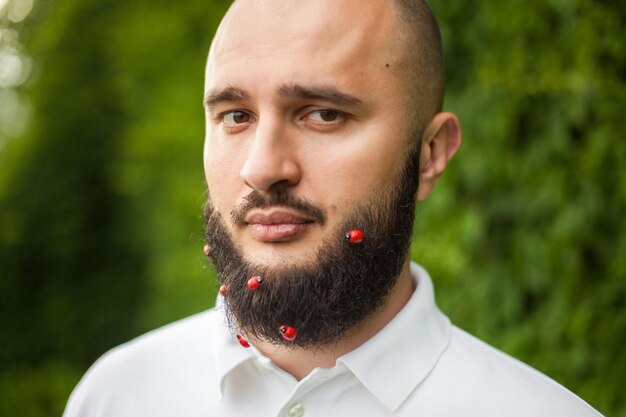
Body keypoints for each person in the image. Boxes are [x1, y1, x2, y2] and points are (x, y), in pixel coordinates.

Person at [63, 0, 602, 416]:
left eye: (323, 114)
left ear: (431, 154)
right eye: (234, 116)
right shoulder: (115, 395)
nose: (262, 167)